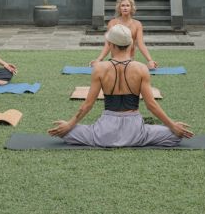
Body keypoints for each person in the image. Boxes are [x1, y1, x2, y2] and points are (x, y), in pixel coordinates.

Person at [49, 24, 193, 147]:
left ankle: (77, 131)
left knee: (67, 133)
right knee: (175, 136)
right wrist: (172, 126)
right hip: (136, 132)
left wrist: (69, 125)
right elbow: (151, 105)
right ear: (130, 44)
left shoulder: (99, 68)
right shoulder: (141, 68)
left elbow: (87, 105)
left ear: (110, 44)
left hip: (104, 132)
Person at [90, 0, 157, 69]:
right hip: (114, 61)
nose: (125, 8)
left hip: (129, 61)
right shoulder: (112, 23)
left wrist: (150, 60)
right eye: (123, 5)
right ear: (119, 8)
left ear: (131, 8)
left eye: (127, 5)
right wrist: (99, 59)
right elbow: (108, 45)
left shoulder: (137, 24)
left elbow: (141, 44)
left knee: (144, 68)